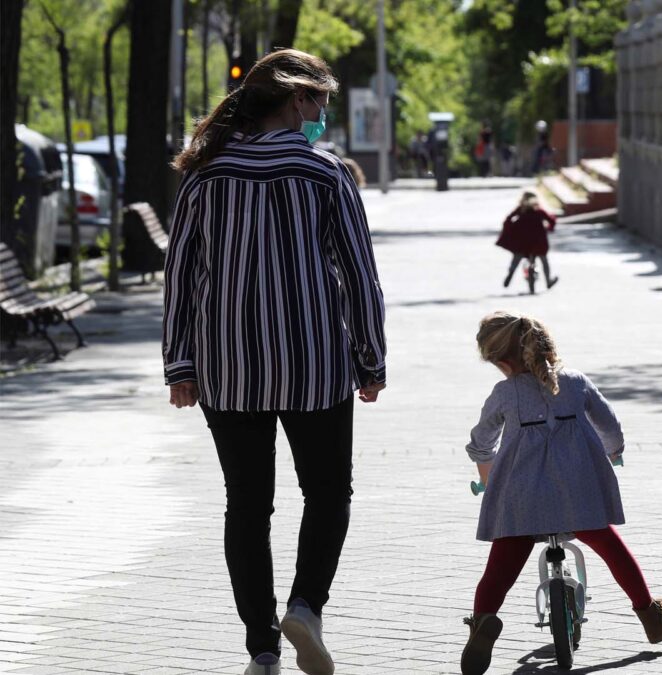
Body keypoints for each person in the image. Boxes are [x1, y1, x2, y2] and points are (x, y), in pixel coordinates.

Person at [163, 48, 387, 675]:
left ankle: (262, 648)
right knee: (327, 493)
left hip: (226, 368)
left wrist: (180, 365)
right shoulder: (326, 173)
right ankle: (306, 608)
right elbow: (359, 275)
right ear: (298, 100)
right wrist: (371, 360)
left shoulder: (205, 176)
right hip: (315, 363)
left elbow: (180, 275)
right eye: (322, 101)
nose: (323, 114)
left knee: (246, 504)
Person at [460, 312, 662, 675]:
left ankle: (483, 623)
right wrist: (614, 451)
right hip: (579, 495)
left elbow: (481, 442)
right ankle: (649, 614)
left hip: (522, 498)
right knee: (611, 548)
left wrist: (486, 474)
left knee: (500, 567)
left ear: (501, 362)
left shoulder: (505, 393)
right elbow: (609, 424)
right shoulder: (575, 383)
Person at [496, 191, 558, 289]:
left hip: (523, 241)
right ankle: (548, 281)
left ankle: (510, 275)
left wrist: (512, 230)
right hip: (538, 241)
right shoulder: (539, 211)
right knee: (544, 260)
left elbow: (508, 220)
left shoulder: (521, 210)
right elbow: (551, 220)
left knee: (516, 258)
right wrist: (549, 228)